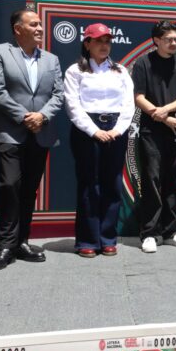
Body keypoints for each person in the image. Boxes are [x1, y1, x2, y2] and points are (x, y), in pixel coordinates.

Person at [0, 9, 64, 271]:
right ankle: (5, 246)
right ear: (18, 29)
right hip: (9, 131)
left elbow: (58, 94)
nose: (40, 28)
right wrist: (24, 116)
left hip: (41, 132)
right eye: (33, 24)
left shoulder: (51, 59)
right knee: (10, 185)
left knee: (29, 189)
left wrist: (42, 116)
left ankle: (22, 242)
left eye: (40, 24)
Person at [64, 23, 135, 258]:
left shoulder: (120, 71)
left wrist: (118, 129)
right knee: (89, 184)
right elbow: (73, 105)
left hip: (116, 129)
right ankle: (87, 240)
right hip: (86, 130)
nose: (104, 46)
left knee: (112, 184)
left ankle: (107, 238)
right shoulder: (75, 71)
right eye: (98, 41)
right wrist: (94, 131)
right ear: (87, 44)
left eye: (107, 41)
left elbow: (128, 103)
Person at [131, 21, 176, 253]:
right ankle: (150, 233)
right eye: (169, 39)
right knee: (151, 181)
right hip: (151, 132)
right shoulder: (143, 63)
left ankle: (172, 231)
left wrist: (165, 111)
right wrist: (161, 117)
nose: (174, 43)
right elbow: (138, 97)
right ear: (156, 40)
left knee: (174, 182)